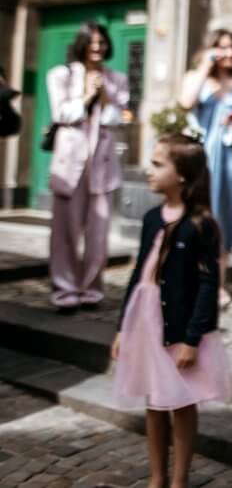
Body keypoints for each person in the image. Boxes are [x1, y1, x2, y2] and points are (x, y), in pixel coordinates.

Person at [111, 132, 231, 488]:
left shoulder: (201, 225)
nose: (149, 170)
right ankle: (156, 476)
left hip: (177, 325)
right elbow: (138, 273)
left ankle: (179, 479)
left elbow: (209, 285)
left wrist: (193, 338)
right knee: (153, 397)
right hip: (145, 320)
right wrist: (122, 328)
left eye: (158, 164)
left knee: (180, 401)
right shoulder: (151, 218)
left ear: (181, 174)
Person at [178, 29, 232, 308]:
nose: (226, 54)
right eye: (220, 48)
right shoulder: (196, 77)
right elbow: (186, 102)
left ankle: (216, 285)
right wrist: (206, 65)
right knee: (195, 220)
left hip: (230, 160)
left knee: (221, 224)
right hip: (200, 158)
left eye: (231, 48)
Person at [47, 21, 129, 311]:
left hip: (103, 166)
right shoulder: (62, 75)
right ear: (82, 44)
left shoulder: (117, 78)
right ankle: (65, 291)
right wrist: (85, 95)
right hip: (70, 164)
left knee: (98, 234)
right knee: (64, 234)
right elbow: (62, 114)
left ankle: (91, 290)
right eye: (92, 42)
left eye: (102, 43)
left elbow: (115, 119)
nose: (97, 48)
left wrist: (103, 93)